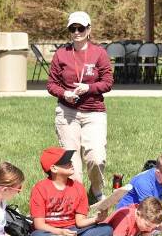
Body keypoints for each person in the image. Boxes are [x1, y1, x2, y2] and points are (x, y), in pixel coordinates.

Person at [47, 11, 113, 204]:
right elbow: (51, 84)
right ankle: (78, 200)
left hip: (94, 112)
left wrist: (89, 88)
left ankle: (96, 189)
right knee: (72, 164)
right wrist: (64, 93)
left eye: (80, 28)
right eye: (72, 28)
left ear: (88, 29)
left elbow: (108, 82)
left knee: (96, 157)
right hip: (67, 113)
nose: (76, 32)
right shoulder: (61, 54)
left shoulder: (99, 53)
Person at [29, 147, 112, 236]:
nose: (71, 163)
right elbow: (39, 224)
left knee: (107, 230)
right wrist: (60, 232)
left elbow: (80, 222)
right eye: (66, 162)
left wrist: (96, 219)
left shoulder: (78, 187)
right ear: (54, 168)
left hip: (73, 231)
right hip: (50, 231)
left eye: (70, 160)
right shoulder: (40, 188)